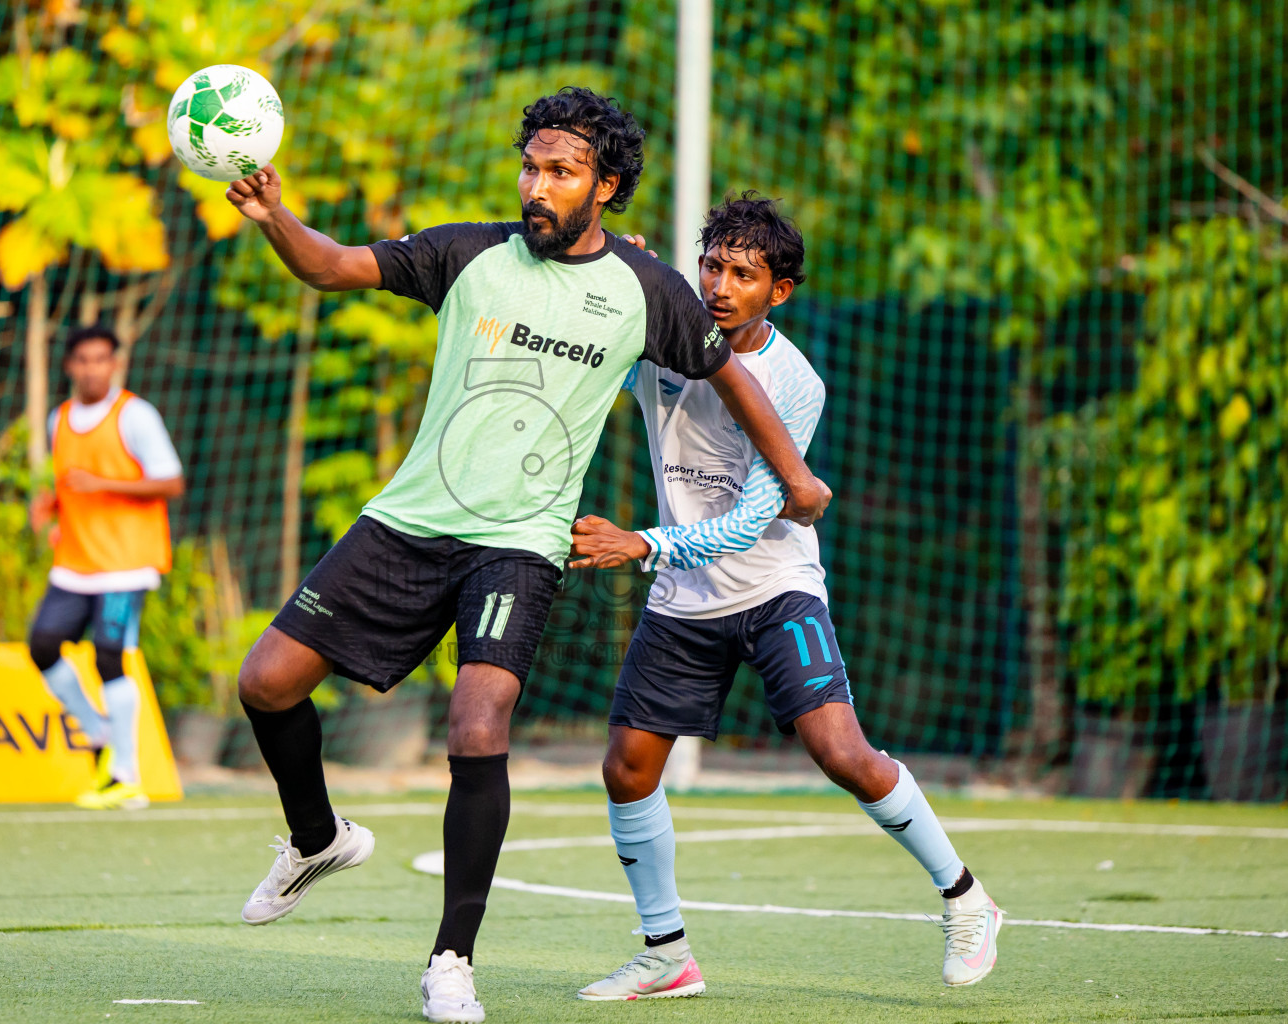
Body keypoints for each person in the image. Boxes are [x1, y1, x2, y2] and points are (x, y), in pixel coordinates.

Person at [223, 88, 833, 1023]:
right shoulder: (466, 251)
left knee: (479, 721)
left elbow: (737, 381)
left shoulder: (648, 291)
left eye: (561, 171)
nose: (536, 186)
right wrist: (274, 217)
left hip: (519, 544)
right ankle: (317, 838)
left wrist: (794, 474)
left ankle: (451, 962)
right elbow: (335, 266)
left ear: (607, 186)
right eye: (531, 166)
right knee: (265, 684)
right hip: (409, 521)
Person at [568, 194, 1002, 1001]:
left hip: (776, 591)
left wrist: (639, 544)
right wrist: (612, 272)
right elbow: (598, 340)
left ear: (781, 290)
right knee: (627, 770)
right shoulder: (667, 339)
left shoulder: (795, 383)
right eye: (711, 266)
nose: (721, 286)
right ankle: (666, 954)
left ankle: (966, 897)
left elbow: (747, 525)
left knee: (842, 754)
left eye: (744, 273)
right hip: (683, 600)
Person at [27, 325, 184, 811]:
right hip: (75, 562)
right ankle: (97, 730)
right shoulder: (60, 418)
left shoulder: (135, 415)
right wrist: (50, 506)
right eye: (83, 359)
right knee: (43, 644)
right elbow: (70, 481)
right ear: (69, 366)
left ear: (115, 363)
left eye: (101, 359)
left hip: (125, 563)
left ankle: (125, 776)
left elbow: (171, 482)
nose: (92, 368)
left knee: (109, 655)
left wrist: (104, 484)